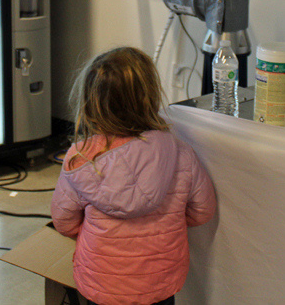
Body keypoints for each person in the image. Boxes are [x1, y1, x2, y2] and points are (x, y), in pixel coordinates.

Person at [51, 47, 216, 305]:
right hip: (159, 281)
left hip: (101, 282)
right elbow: (203, 211)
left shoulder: (81, 158)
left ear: (90, 103)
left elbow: (64, 222)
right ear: (149, 97)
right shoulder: (180, 152)